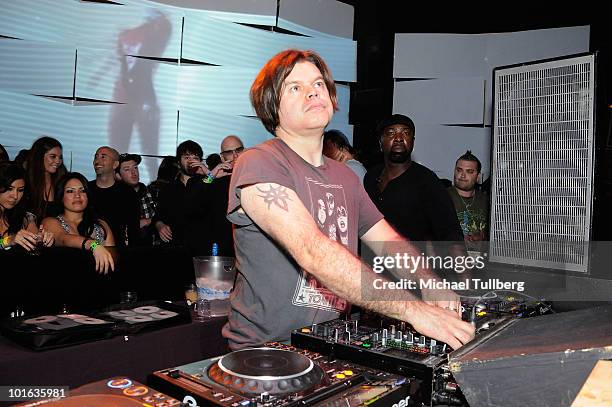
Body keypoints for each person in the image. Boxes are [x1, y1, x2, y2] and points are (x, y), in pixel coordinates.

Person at [224, 49, 474, 351]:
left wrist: (430, 283)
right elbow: (312, 251)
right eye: (295, 87)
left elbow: (387, 243)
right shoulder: (259, 162)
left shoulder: (346, 177)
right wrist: (414, 310)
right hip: (266, 350)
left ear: (332, 97)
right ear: (271, 105)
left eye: (318, 84)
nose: (312, 93)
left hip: (330, 343)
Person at [364, 114, 463, 243]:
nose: (399, 138)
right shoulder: (371, 177)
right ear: (381, 142)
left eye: (405, 133)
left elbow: (451, 235)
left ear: (413, 142)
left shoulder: (427, 182)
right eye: (391, 133)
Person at [153, 140, 222, 254]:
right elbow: (158, 214)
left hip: (202, 248)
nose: (191, 161)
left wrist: (207, 173)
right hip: (175, 248)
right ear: (179, 162)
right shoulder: (169, 188)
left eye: (196, 157)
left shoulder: (206, 182)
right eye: (187, 157)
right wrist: (159, 225)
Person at [42, 173, 115, 274]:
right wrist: (93, 245)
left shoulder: (101, 225)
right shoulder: (50, 222)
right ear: (61, 197)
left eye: (82, 190)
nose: (77, 195)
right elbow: (63, 239)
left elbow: (112, 261)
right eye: (70, 191)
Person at [88, 146, 140, 247]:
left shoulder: (127, 193)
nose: (97, 161)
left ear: (115, 164)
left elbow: (133, 230)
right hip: (90, 248)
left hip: (117, 252)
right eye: (96, 157)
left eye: (103, 157)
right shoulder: (86, 190)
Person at [204, 135, 245, 256]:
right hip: (223, 246)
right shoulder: (216, 181)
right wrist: (212, 176)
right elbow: (198, 197)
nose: (235, 155)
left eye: (238, 150)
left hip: (249, 245)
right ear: (222, 157)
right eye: (229, 152)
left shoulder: (254, 176)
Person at [0, 162, 54, 251]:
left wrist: (43, 239)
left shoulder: (26, 218)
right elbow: (8, 241)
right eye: (9, 189)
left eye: (20, 190)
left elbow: (34, 241)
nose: (15, 196)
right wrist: (9, 240)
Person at [448, 150, 488, 246]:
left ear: (478, 177)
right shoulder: (442, 197)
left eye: (469, 171)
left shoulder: (487, 201)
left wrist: (481, 236)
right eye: (459, 170)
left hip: (480, 257)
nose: (462, 175)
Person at [116, 153, 156, 245]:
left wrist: (149, 221)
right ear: (118, 175)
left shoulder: (151, 192)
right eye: (127, 169)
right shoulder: (116, 198)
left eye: (135, 168)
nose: (133, 172)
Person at [25, 137, 66, 222]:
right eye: (53, 156)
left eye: (60, 157)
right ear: (39, 156)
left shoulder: (63, 182)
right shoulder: (25, 182)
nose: (58, 161)